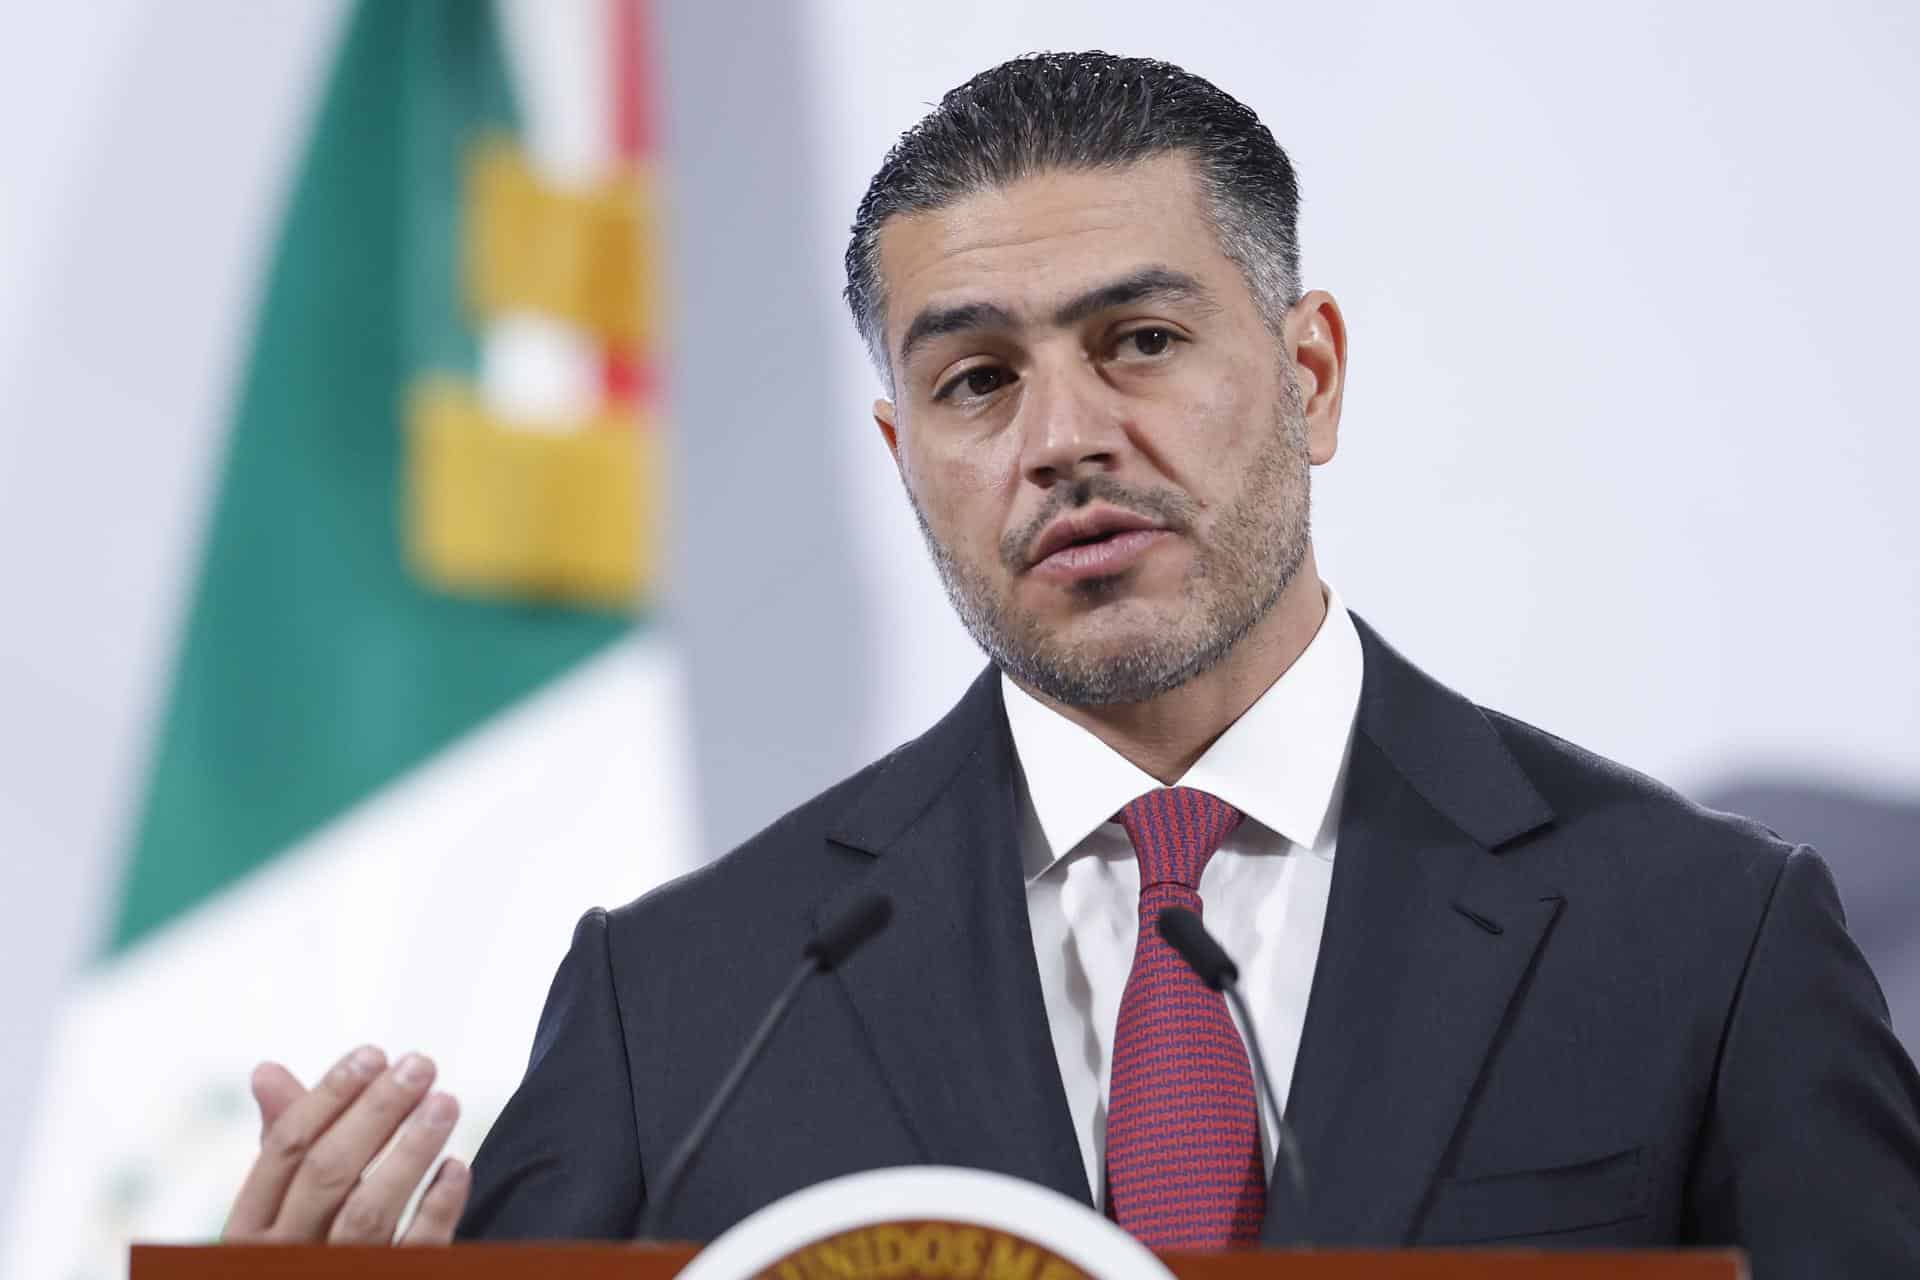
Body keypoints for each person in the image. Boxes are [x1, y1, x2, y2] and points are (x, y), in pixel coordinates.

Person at [219, 52, 1920, 1269]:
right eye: (975, 383)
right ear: (901, 452)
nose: (1064, 439)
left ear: (1313, 374)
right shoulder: (687, 1006)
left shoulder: (1705, 935)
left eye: (1144, 342)